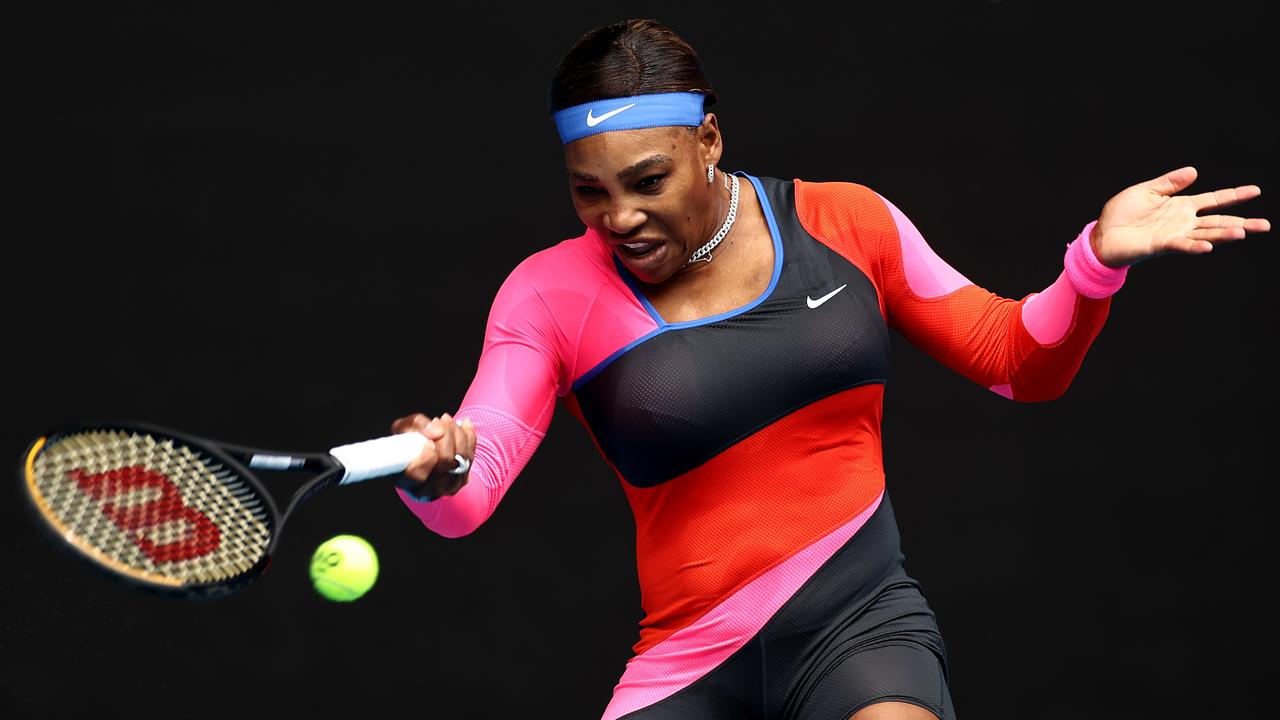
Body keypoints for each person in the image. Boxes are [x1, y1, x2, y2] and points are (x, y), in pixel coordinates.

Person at [386, 18, 1268, 720]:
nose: (619, 216)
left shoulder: (848, 223)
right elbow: (474, 481)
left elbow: (1017, 360)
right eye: (590, 190)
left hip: (862, 629)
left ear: (710, 141)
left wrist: (1093, 265)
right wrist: (440, 465)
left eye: (647, 181)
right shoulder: (546, 293)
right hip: (688, 662)